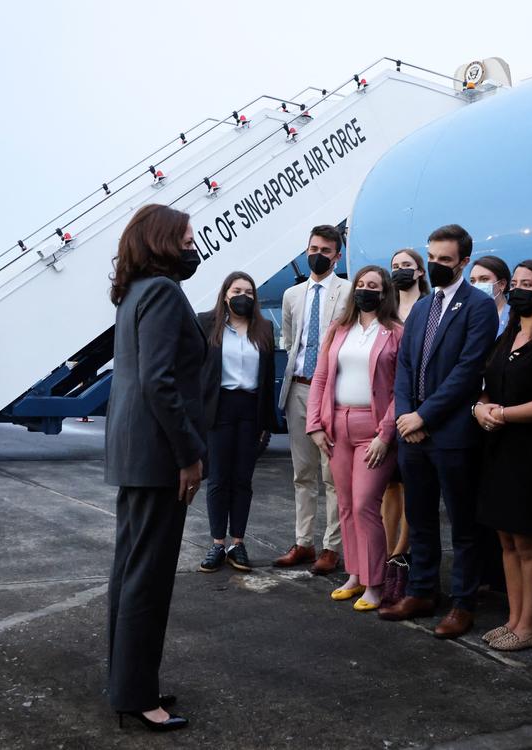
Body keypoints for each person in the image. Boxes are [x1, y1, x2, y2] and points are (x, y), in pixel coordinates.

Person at [105, 204, 205, 732]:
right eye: (188, 238)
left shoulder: (136, 291)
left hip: (135, 452)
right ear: (165, 241)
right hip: (158, 454)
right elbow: (160, 383)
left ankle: (127, 683)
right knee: (147, 578)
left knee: (130, 572)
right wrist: (189, 454)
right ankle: (138, 696)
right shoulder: (164, 292)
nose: (195, 245)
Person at [379, 224, 498, 639]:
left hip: (452, 436)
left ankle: (463, 604)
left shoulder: (478, 308)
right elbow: (405, 368)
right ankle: (422, 591)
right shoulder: (423, 307)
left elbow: (467, 373)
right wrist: (406, 416)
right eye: (432, 258)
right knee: (421, 517)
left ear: (464, 261)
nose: (435, 266)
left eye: (445, 260)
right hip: (414, 435)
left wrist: (423, 417)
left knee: (463, 525)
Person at [475, 260, 532, 652]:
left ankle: (530, 625)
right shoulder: (504, 337)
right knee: (505, 540)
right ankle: (513, 619)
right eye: (518, 283)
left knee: (528, 543)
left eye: (530, 284)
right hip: (496, 447)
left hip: (531, 449)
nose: (521, 290)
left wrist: (503, 414)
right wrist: (480, 408)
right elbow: (486, 387)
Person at [306, 265, 403, 611]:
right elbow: (320, 378)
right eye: (360, 284)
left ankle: (375, 583)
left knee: (365, 505)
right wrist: (315, 424)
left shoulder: (394, 332)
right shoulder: (338, 329)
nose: (365, 290)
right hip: (337, 427)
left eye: (372, 285)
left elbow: (400, 390)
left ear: (384, 292)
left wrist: (385, 434)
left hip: (372, 431)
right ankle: (355, 574)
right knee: (345, 506)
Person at [273, 225, 351, 575]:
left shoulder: (348, 292)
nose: (317, 254)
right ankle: (303, 541)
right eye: (312, 248)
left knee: (331, 474)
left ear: (337, 256)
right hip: (299, 389)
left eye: (325, 250)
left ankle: (330, 547)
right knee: (302, 473)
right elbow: (291, 340)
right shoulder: (292, 295)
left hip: (333, 393)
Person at [197, 271, 277, 573]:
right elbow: (195, 370)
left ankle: (238, 543)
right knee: (218, 477)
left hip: (250, 409)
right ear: (226, 294)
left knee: (243, 479)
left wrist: (267, 420)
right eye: (236, 290)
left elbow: (267, 379)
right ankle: (217, 543)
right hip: (219, 408)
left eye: (249, 291)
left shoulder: (264, 328)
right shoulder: (208, 324)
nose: (242, 296)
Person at [380, 249, 429, 604]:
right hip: (383, 404)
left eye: (406, 266)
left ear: (420, 271)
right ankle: (385, 550)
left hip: (416, 407)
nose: (400, 271)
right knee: (388, 484)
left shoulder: (428, 307)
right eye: (395, 266)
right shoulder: (384, 310)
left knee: (412, 484)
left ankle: (401, 550)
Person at [468, 255, 511, 335]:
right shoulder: (469, 317)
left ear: (502, 284)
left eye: (484, 279)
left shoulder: (515, 318)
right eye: (472, 281)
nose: (476, 285)